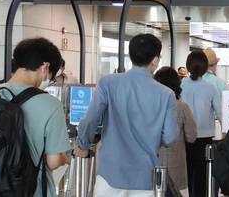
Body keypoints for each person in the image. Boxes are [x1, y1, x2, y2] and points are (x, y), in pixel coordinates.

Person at [74, 33, 178, 197]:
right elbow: (170, 138)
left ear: (129, 56)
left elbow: (90, 119)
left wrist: (83, 145)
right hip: (146, 178)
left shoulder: (108, 82)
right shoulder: (166, 94)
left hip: (110, 175)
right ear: (156, 60)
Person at [0, 37, 71, 197]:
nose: (50, 81)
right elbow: (54, 162)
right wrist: (64, 158)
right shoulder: (51, 104)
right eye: (51, 76)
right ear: (45, 67)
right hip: (30, 190)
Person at [181, 50, 222, 197]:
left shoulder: (180, 86)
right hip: (204, 142)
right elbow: (221, 113)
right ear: (205, 68)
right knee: (202, 181)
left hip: (183, 139)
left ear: (188, 66)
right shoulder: (211, 88)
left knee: (185, 180)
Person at [155, 67, 198, 197]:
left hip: (153, 168)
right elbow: (191, 137)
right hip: (177, 168)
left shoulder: (149, 105)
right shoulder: (182, 107)